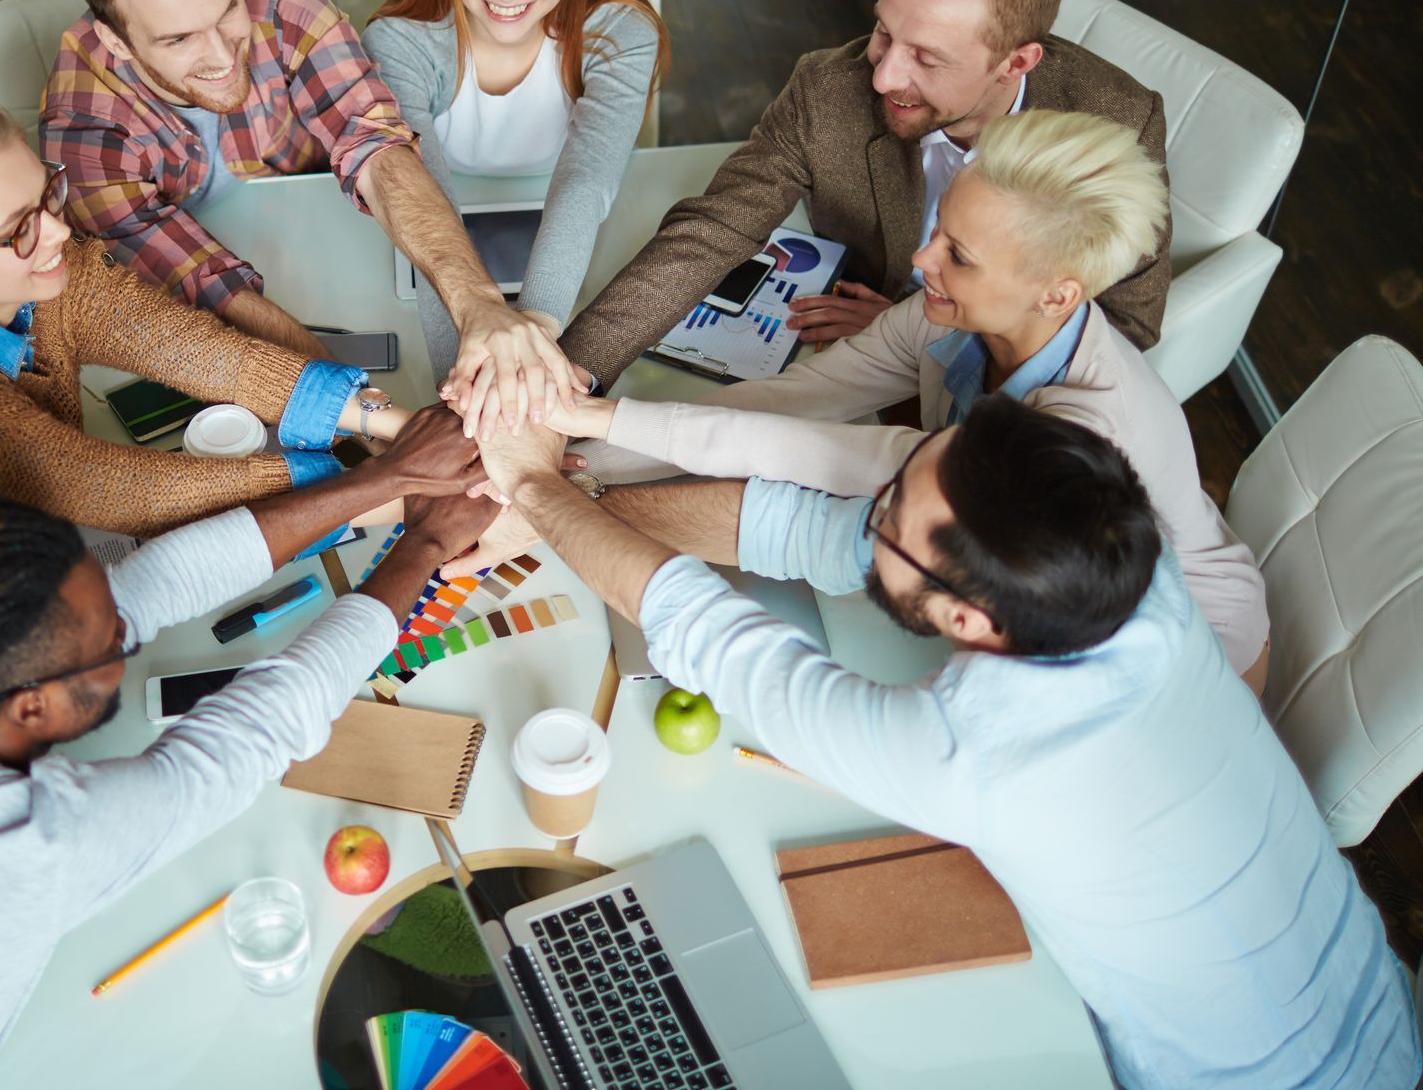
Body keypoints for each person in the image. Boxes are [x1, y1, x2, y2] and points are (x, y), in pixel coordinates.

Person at [471, 400, 1420, 1090]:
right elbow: (819, 531)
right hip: (1375, 1001)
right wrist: (566, 501)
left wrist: (530, 482)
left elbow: (708, 629)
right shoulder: (1123, 561)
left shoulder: (976, 755)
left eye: (890, 515)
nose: (870, 508)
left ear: (969, 617)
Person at [0, 470, 499, 1089]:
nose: (127, 642)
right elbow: (257, 732)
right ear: (30, 703)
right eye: (107, 646)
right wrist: (424, 542)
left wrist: (386, 479)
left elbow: (143, 587)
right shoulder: (27, 843)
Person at [542, 110, 1270, 693]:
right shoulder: (952, 311)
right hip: (1023, 608)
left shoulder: (1079, 432)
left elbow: (830, 457)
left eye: (959, 254)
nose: (922, 262)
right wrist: (582, 454)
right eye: (941, 230)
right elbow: (800, 401)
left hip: (1186, 661)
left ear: (1057, 293)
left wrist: (587, 435)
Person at [0, 96, 433, 725]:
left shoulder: (36, 275)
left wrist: (390, 424)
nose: (58, 228)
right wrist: (403, 487)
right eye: (20, 229)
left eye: (47, 193)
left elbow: (215, 358)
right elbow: (138, 494)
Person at [558, 0, 1174, 395]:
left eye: (927, 57)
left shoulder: (1118, 123)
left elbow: (1125, 328)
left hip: (985, 396)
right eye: (884, 30)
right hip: (832, 338)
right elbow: (713, 229)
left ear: (1017, 63)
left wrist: (918, 333)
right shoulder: (828, 87)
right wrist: (568, 377)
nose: (881, 78)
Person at [42, 0, 580, 437]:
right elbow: (202, 281)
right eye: (179, 40)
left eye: (227, 10)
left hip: (313, 219)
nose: (224, 55)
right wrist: (357, 405)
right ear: (117, 44)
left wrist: (480, 306)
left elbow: (375, 143)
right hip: (217, 278)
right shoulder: (82, 123)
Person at [364, 0, 669, 397]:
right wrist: (460, 375)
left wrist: (537, 335)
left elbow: (583, 182)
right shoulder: (399, 42)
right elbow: (425, 198)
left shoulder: (620, 33)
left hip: (570, 228)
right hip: (447, 222)